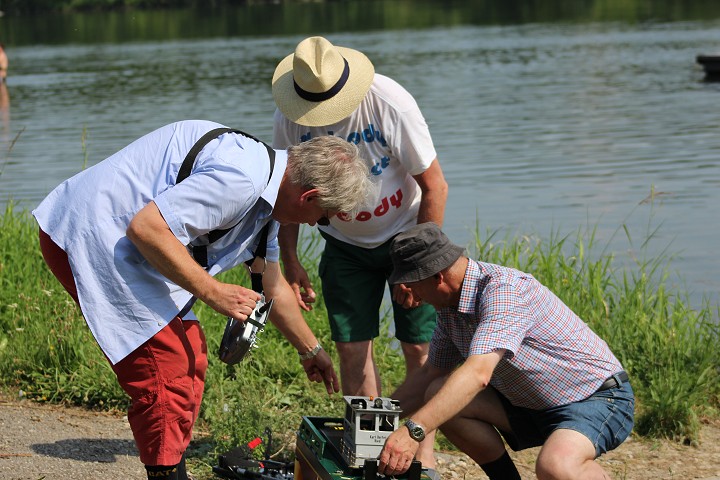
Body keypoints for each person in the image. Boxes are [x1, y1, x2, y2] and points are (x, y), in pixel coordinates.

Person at [32, 120, 373, 480]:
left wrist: (310, 349)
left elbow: (270, 282)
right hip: (90, 234)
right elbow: (146, 228)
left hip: (131, 242)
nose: (311, 225)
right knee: (168, 369)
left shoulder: (270, 192)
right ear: (308, 196)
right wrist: (213, 292)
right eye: (321, 218)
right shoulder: (241, 179)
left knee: (189, 356)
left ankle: (170, 469)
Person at [271, 36, 448, 474]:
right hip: (345, 247)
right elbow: (288, 194)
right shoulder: (291, 116)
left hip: (407, 235)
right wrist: (290, 259)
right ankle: (368, 454)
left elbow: (435, 186)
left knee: (420, 350)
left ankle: (420, 454)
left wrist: (417, 265)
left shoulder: (389, 103)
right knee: (353, 352)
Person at [378, 223, 635, 480]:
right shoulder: (449, 307)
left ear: (438, 277)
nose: (411, 294)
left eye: (412, 284)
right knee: (436, 391)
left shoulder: (503, 291)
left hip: (595, 398)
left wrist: (413, 430)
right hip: (529, 405)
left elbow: (478, 373)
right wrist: (373, 417)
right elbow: (429, 375)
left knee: (555, 466)